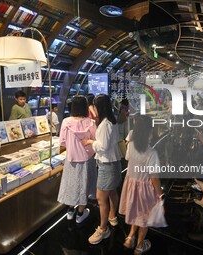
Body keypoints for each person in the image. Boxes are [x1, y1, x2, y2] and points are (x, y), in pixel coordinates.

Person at [119, 115, 164, 255]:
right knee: (144, 219)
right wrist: (160, 195)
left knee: (136, 213)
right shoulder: (152, 153)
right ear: (149, 131)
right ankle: (139, 246)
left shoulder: (130, 146)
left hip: (131, 186)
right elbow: (154, 178)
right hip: (145, 190)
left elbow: (127, 158)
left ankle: (129, 238)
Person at [82, 94, 121, 245]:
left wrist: (90, 141)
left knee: (100, 198)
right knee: (112, 191)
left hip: (107, 164)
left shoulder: (105, 124)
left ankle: (103, 229)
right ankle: (113, 217)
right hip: (114, 161)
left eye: (95, 106)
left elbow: (102, 146)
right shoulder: (112, 120)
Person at [57, 95, 97, 224]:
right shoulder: (91, 122)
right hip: (87, 159)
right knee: (84, 185)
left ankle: (70, 211)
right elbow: (94, 140)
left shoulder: (66, 122)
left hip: (72, 159)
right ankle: (80, 213)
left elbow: (62, 142)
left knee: (71, 185)